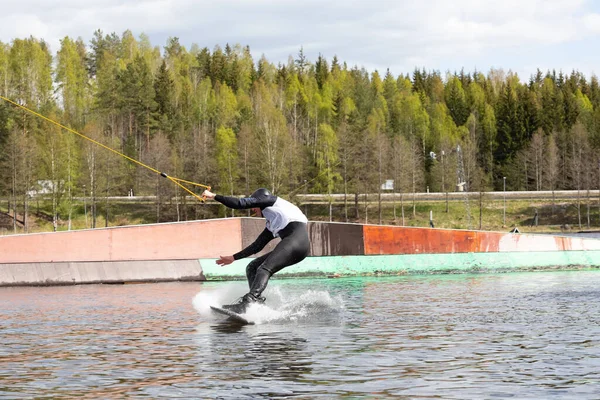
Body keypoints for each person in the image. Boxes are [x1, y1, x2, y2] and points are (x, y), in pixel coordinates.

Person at [202, 188, 310, 314]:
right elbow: (257, 246)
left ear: (260, 200)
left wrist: (213, 196)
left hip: (296, 242)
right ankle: (256, 306)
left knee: (264, 269)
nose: (253, 209)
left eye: (254, 205)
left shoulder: (271, 200)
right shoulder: (273, 221)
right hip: (298, 247)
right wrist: (233, 257)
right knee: (252, 267)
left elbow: (238, 204)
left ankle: (249, 302)